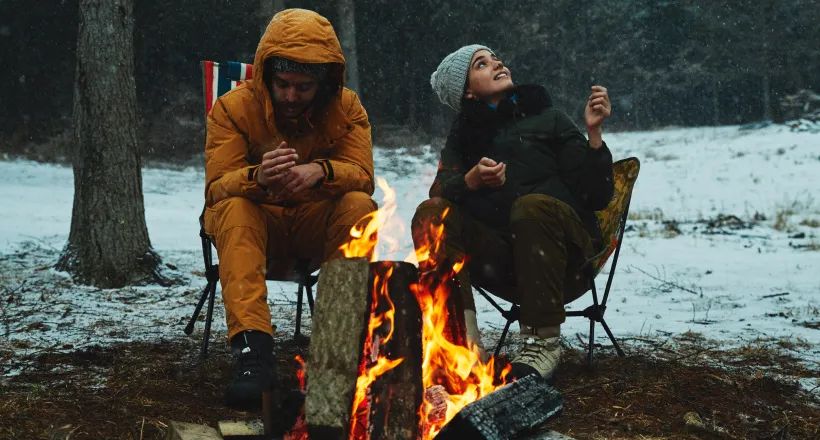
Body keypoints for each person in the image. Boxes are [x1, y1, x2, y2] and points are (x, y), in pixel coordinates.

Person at [203, 8, 376, 409]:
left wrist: (321, 170)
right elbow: (217, 188)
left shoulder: (346, 108)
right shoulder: (232, 108)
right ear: (266, 76)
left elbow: (362, 175)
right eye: (282, 84)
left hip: (313, 230)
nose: (291, 96)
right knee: (233, 206)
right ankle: (253, 355)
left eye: (303, 87)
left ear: (324, 82)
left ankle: (337, 349)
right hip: (255, 233)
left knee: (359, 205)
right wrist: (258, 178)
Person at [413, 44, 614, 381]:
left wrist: (594, 135)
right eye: (482, 63)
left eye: (495, 58)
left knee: (530, 205)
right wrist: (471, 180)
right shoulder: (463, 138)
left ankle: (542, 342)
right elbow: (440, 192)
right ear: (466, 91)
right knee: (431, 214)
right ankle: (458, 345)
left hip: (566, 261)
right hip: (504, 264)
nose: (496, 63)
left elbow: (597, 194)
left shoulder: (548, 118)